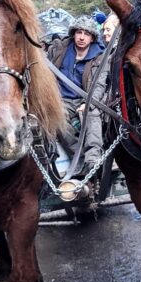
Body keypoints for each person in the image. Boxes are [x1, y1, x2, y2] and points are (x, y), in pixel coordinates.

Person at [47, 15, 106, 176]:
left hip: (86, 98)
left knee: (92, 114)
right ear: (73, 34)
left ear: (92, 38)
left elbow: (100, 84)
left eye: (86, 34)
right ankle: (78, 158)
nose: (81, 37)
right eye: (79, 32)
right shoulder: (59, 50)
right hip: (61, 99)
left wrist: (89, 103)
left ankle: (93, 159)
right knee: (58, 118)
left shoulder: (100, 57)